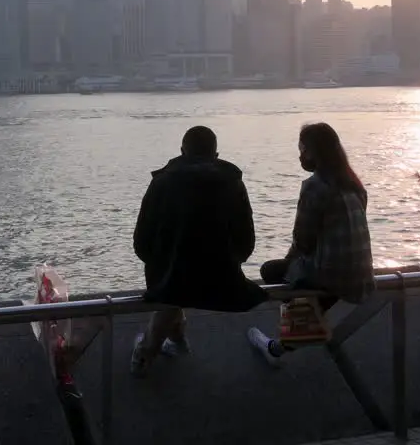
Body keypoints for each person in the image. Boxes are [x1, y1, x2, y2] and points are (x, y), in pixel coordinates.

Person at [130, 125, 266, 378]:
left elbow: (142, 241)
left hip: (172, 280)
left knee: (173, 282)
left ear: (182, 151)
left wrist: (158, 261)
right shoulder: (234, 184)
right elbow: (246, 241)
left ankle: (146, 354)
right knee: (179, 280)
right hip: (224, 281)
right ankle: (175, 341)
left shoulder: (161, 183)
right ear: (216, 155)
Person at [247, 123, 375, 363]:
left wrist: (289, 264)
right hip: (361, 275)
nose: (300, 156)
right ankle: (303, 327)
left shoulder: (315, 186)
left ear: (314, 152)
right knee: (304, 277)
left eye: (302, 149)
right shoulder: (355, 185)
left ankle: (299, 332)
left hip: (333, 276)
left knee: (272, 271)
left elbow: (303, 241)